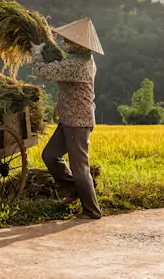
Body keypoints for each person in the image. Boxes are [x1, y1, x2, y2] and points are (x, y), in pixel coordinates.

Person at [29, 18, 104, 220]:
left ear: (78, 44)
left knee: (80, 167)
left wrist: (36, 53)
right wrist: (59, 106)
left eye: (67, 41)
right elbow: (71, 87)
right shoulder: (81, 60)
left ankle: (91, 210)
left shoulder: (77, 63)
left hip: (78, 122)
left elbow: (43, 72)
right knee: (50, 156)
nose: (64, 43)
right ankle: (74, 189)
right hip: (69, 118)